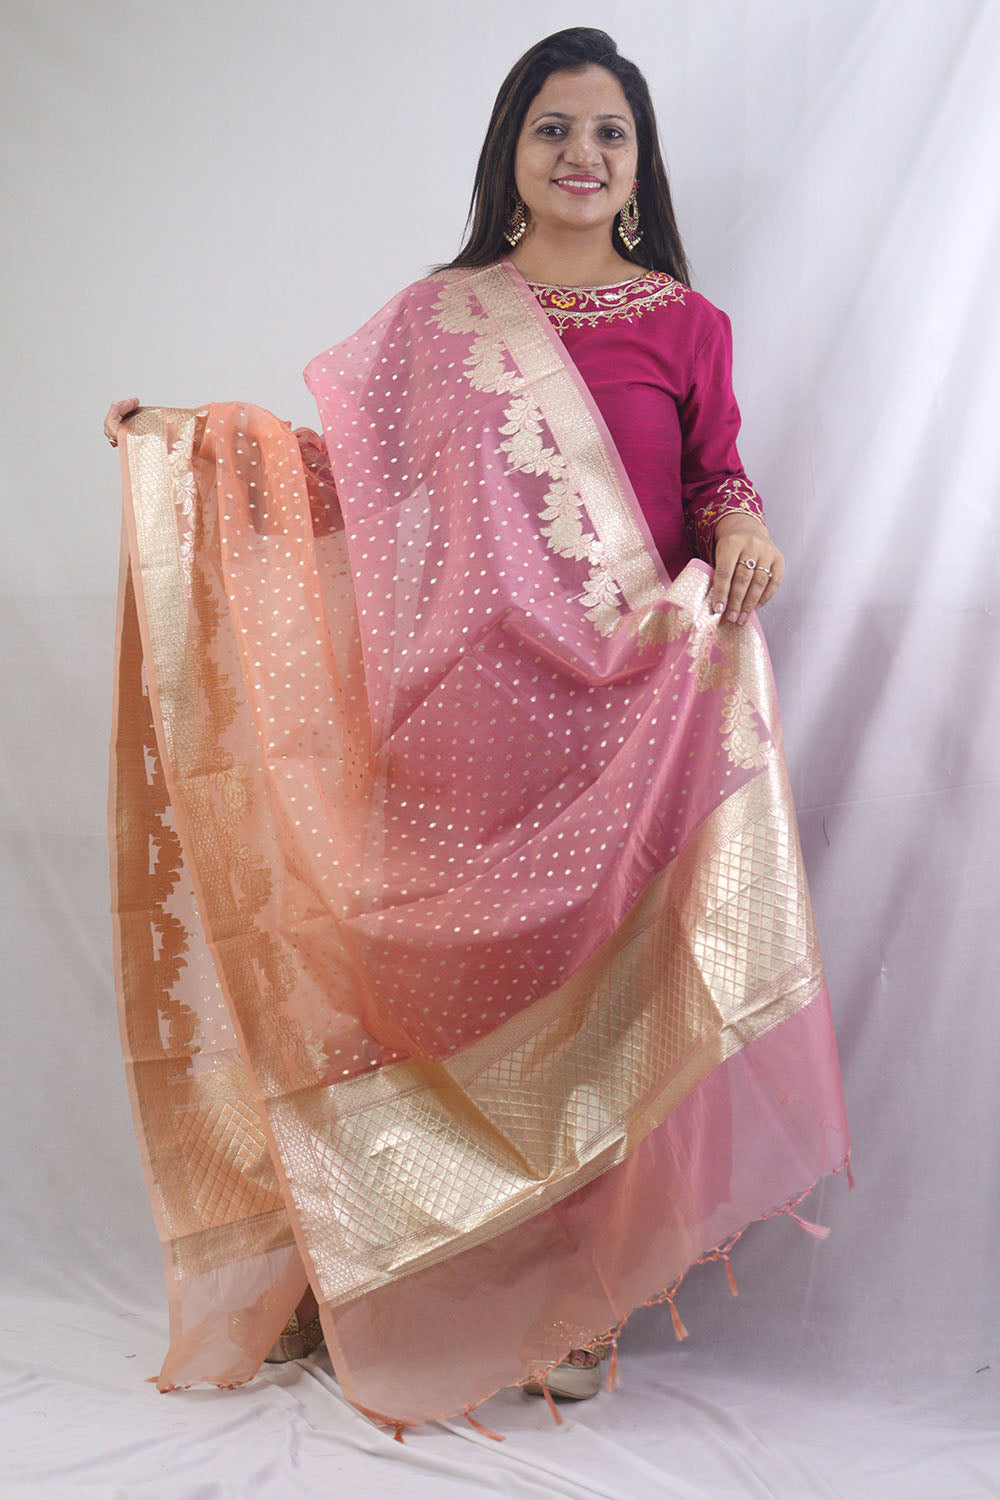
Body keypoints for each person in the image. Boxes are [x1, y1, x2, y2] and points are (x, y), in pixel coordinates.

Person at [104, 28, 849, 1438]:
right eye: (553, 128)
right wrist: (191, 449)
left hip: (621, 725)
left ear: (640, 164)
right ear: (511, 151)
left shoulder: (687, 324)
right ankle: (375, 1272)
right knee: (432, 999)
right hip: (460, 725)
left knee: (601, 1002)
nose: (582, 154)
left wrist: (745, 530)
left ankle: (574, 1298)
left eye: (610, 133)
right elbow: (341, 483)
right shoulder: (439, 319)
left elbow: (717, 480)